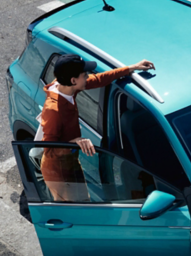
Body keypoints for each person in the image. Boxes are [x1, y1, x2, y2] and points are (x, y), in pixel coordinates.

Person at [40, 54, 155, 201]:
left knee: (84, 200)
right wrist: (74, 142)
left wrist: (130, 68)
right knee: (77, 211)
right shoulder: (53, 111)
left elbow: (99, 79)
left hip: (71, 160)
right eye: (84, 74)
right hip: (59, 172)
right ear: (73, 80)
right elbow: (48, 150)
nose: (88, 76)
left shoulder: (65, 86)